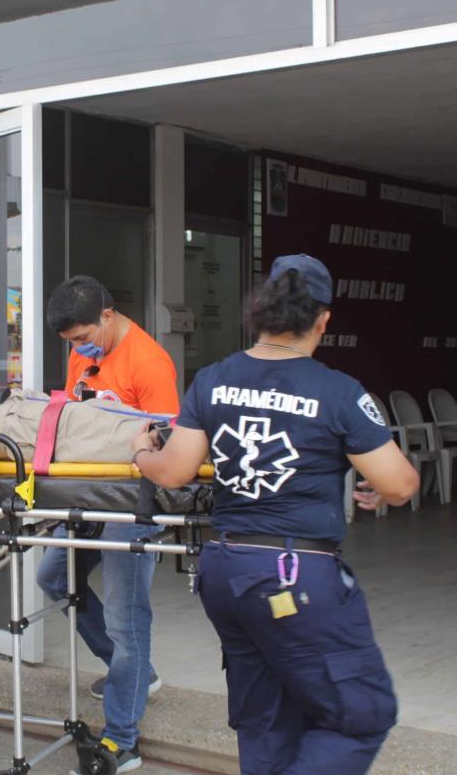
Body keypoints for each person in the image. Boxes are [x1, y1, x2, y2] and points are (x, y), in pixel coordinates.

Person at [134, 254, 418, 775]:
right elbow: (400, 483)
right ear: (323, 320)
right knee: (362, 714)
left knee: (265, 721)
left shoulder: (213, 380)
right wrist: (383, 492)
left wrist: (140, 452)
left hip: (225, 569)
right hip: (296, 577)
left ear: (261, 312)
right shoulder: (338, 391)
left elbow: (172, 472)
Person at [35, 275, 179, 773]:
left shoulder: (149, 363)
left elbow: (169, 444)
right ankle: (132, 673)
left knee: (126, 618)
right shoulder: (83, 353)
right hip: (86, 495)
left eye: (81, 339)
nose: (78, 350)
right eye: (71, 343)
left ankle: (123, 738)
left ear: (108, 316)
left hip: (134, 502)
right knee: (52, 577)